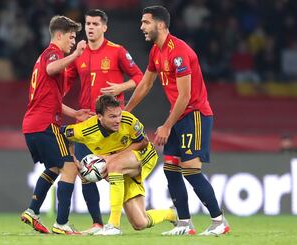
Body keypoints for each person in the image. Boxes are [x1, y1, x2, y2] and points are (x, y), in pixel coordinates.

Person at [125, 6, 230, 236]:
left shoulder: (179, 52)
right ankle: (184, 223)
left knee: (191, 169)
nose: (142, 27)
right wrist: (126, 111)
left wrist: (167, 125)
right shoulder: (156, 51)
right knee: (171, 169)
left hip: (195, 114)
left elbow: (185, 96)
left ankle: (219, 221)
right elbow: (145, 84)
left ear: (160, 25)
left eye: (146, 22)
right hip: (178, 114)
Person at [65, 9, 143, 234]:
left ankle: (124, 217)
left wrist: (121, 87)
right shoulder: (78, 54)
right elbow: (66, 82)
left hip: (112, 128)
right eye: (88, 23)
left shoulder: (117, 51)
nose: (90, 27)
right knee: (85, 174)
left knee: (114, 173)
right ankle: (97, 223)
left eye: (95, 24)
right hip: (87, 125)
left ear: (104, 27)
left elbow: (139, 77)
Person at [60, 94, 177, 235]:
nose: (117, 120)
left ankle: (113, 225)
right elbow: (61, 134)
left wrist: (112, 158)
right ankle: (172, 214)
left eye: (118, 115)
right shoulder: (85, 129)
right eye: (112, 117)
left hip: (144, 156)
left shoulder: (127, 119)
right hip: (121, 168)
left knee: (114, 165)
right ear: (99, 117)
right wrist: (72, 159)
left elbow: (144, 142)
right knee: (140, 222)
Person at [20, 15, 91, 235]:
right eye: (71, 36)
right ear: (59, 35)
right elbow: (52, 69)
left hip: (33, 125)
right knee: (69, 167)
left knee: (53, 168)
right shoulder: (53, 53)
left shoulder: (44, 58)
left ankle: (32, 211)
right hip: (45, 124)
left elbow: (51, 100)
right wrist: (77, 54)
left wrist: (74, 112)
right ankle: (62, 222)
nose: (73, 41)